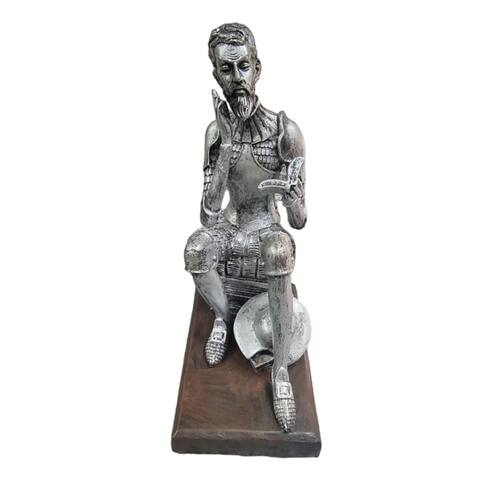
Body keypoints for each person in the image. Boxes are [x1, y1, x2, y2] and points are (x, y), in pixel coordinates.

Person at [184, 23, 307, 432]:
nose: (236, 79)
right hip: (231, 223)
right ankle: (224, 316)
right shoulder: (214, 133)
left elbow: (299, 221)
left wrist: (292, 198)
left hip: (265, 225)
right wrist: (225, 148)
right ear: (216, 75)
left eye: (243, 67)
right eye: (226, 69)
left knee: (279, 251)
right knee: (195, 250)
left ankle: (280, 370)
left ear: (257, 68)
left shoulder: (284, 132)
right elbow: (208, 214)